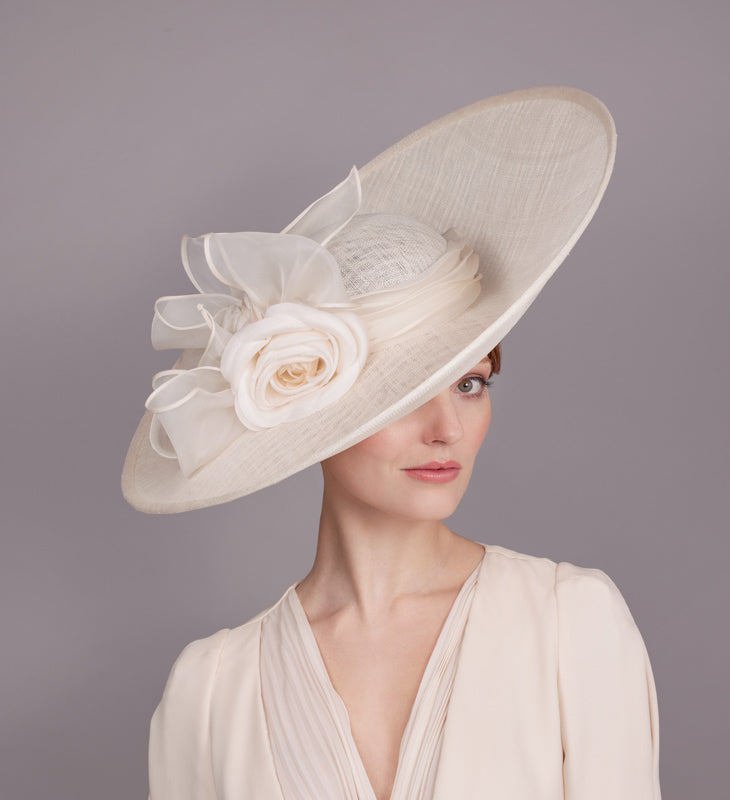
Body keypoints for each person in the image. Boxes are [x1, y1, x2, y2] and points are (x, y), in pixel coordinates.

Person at [123, 88, 661, 799]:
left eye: (470, 384)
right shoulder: (212, 690)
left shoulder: (569, 624)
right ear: (309, 407)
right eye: (404, 396)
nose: (447, 429)